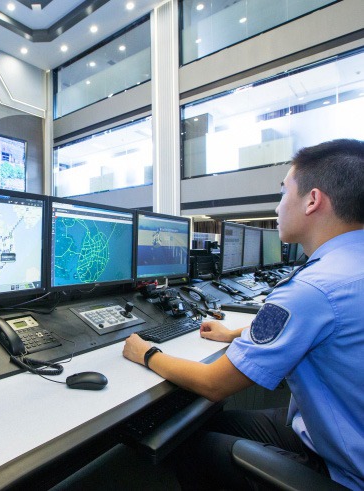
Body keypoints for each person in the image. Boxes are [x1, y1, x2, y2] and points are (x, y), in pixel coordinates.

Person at [123, 139, 364, 490]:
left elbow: (214, 384)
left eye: (284, 193)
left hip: (344, 469)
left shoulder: (312, 287)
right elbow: (315, 328)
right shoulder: (347, 269)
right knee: (207, 424)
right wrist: (234, 333)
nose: (278, 206)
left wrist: (146, 353)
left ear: (312, 200)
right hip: (336, 430)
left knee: (185, 444)